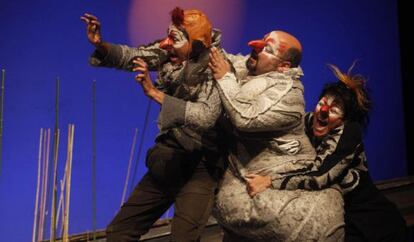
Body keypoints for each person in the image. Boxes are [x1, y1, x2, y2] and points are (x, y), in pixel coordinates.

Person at [81, 8, 226, 242]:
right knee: (119, 232)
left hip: (202, 164)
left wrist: (154, 93)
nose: (166, 43)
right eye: (168, 35)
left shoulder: (217, 66)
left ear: (197, 44)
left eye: (175, 39)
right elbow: (135, 56)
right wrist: (101, 45)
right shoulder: (169, 53)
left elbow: (206, 116)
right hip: (171, 156)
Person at [209, 31, 344, 241]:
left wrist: (225, 78)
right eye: (262, 41)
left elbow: (245, 117)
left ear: (283, 67)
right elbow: (224, 59)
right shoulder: (253, 67)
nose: (256, 47)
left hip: (291, 189)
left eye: (267, 49)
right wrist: (206, 37)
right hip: (244, 178)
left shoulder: (290, 95)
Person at [267, 63, 407, 242]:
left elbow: (319, 175)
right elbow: (287, 118)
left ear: (345, 119)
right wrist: (280, 78)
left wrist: (271, 181)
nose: (323, 111)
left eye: (333, 109)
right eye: (322, 103)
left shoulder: (349, 132)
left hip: (375, 226)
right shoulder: (312, 120)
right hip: (342, 221)